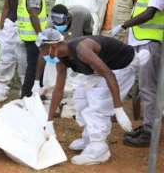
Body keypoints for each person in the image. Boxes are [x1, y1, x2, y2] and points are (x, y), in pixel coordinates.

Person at [39, 29, 149, 165]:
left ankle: (98, 150)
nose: (42, 55)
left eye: (43, 50)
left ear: (53, 46)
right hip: (104, 69)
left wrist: (118, 109)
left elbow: (109, 75)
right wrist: (49, 122)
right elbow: (59, 89)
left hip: (122, 66)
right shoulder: (61, 59)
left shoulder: (82, 49)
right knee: (81, 96)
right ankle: (89, 139)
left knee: (99, 103)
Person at [111, 0, 164, 147]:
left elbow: (150, 13)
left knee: (148, 89)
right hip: (142, 40)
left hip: (149, 41)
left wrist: (124, 25)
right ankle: (148, 125)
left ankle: (150, 132)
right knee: (146, 87)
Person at [32, 4, 93, 117]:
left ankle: (72, 104)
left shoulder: (82, 14)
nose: (57, 25)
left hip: (78, 50)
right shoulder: (50, 27)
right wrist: (36, 81)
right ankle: (53, 101)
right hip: (59, 55)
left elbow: (89, 35)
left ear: (68, 18)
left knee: (77, 84)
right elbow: (43, 53)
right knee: (53, 80)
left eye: (60, 22)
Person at [17, 0, 48, 98]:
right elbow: (33, 13)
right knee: (34, 66)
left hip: (26, 34)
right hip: (34, 36)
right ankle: (27, 94)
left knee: (34, 65)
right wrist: (40, 34)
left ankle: (35, 92)